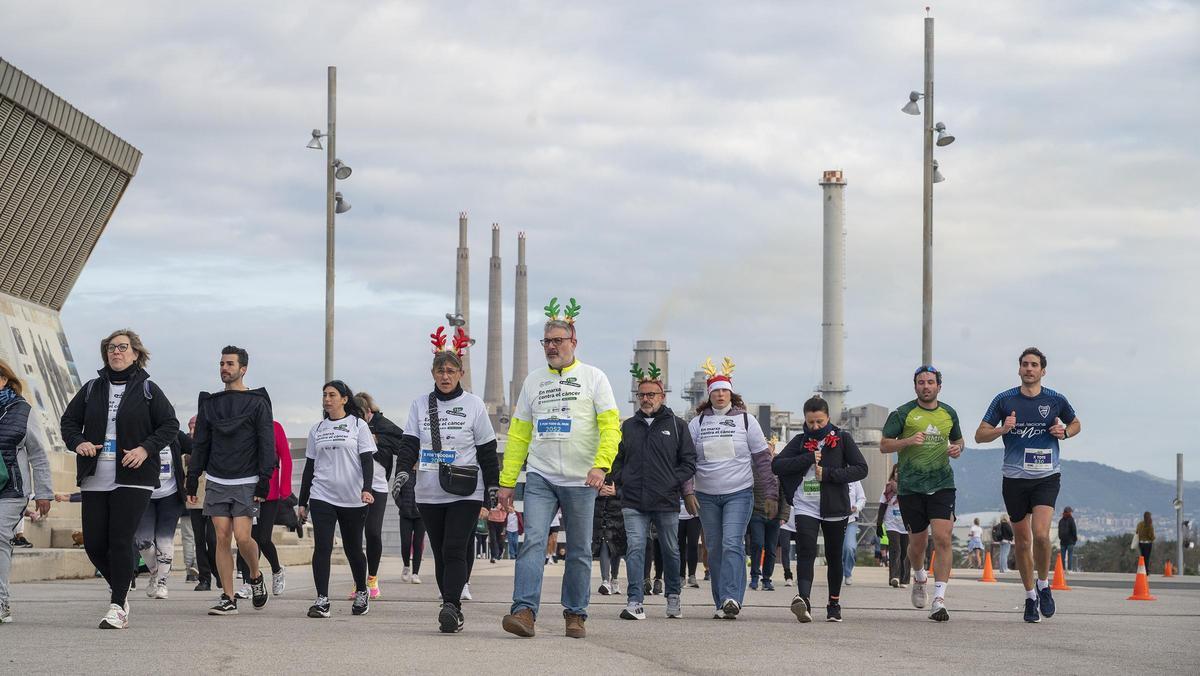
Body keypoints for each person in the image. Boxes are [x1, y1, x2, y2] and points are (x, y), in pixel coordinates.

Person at [498, 298, 620, 640]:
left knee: (579, 550)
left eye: (557, 341)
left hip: (583, 480)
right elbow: (519, 434)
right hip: (541, 476)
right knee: (533, 541)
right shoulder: (533, 381)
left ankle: (575, 614)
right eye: (546, 341)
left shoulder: (594, 378)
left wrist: (601, 465)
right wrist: (507, 483)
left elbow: (611, 428)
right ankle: (523, 611)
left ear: (573, 343)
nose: (551, 347)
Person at [60, 329, 180, 629]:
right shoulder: (91, 389)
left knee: (120, 538)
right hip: (95, 476)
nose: (116, 352)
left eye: (123, 347)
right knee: (94, 544)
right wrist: (78, 442)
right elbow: (69, 422)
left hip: (134, 476)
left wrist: (145, 448)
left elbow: (169, 425)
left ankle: (117, 605)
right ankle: (122, 589)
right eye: (111, 348)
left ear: (136, 353)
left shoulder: (148, 389)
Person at [392, 326, 498, 632]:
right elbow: (409, 443)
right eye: (440, 370)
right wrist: (402, 471)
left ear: (461, 373)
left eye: (451, 370)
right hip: (429, 491)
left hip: (466, 489)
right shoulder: (419, 405)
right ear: (433, 373)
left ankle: (451, 606)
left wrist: (492, 486)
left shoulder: (474, 405)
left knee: (454, 548)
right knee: (440, 552)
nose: (445, 376)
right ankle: (451, 602)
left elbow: (488, 450)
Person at [975, 347, 1081, 623]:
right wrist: (1002, 429)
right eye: (1025, 364)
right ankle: (1030, 597)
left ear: (1043, 371)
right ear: (1019, 369)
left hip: (1046, 476)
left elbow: (1076, 423)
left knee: (1042, 535)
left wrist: (1065, 432)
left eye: (1034, 365)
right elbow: (979, 435)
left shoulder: (1055, 400)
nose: (1029, 369)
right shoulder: (1004, 399)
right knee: (1022, 542)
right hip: (1014, 479)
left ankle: (1044, 586)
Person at [186, 345, 275, 616]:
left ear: (243, 369)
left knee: (243, 537)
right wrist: (192, 478)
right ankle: (228, 597)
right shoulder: (210, 405)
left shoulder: (258, 403)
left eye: (230, 364)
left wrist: (264, 479)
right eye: (222, 364)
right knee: (221, 538)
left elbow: (266, 443)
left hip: (247, 479)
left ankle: (256, 576)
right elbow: (200, 443)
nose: (225, 368)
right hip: (216, 478)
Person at [686, 356, 775, 620]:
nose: (721, 395)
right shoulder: (697, 423)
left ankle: (732, 598)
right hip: (706, 496)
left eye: (725, 390)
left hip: (739, 493)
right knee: (713, 547)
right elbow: (687, 462)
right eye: (716, 391)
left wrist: (771, 493)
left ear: (731, 393)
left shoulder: (746, 421)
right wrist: (687, 491)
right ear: (709, 394)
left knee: (732, 543)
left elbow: (762, 459)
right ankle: (720, 601)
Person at [610, 365, 696, 620]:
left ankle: (673, 596)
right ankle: (635, 601)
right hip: (633, 500)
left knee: (670, 548)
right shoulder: (628, 427)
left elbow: (689, 462)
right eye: (642, 395)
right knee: (635, 547)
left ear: (662, 396)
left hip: (665, 500)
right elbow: (617, 459)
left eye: (651, 394)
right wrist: (621, 479)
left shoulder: (678, 426)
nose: (646, 399)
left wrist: (672, 481)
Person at [881, 365, 964, 622]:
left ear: (939, 386)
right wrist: (906, 441)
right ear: (915, 385)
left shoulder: (949, 413)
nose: (926, 386)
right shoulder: (903, 413)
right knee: (916, 546)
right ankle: (919, 576)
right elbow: (884, 445)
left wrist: (958, 449)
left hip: (941, 484)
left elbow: (959, 440)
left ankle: (939, 599)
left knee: (942, 538)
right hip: (911, 488)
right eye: (921, 382)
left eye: (930, 382)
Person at [774, 396, 868, 623]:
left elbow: (861, 469)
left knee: (834, 556)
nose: (815, 427)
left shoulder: (843, 439)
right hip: (806, 505)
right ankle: (803, 600)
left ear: (828, 418)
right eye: (810, 422)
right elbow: (777, 465)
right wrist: (806, 458)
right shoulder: (798, 441)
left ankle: (833, 603)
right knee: (806, 551)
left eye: (819, 422)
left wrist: (829, 474)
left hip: (835, 506)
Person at [298, 380, 376, 618]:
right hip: (322, 495)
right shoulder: (317, 429)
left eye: (332, 395)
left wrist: (367, 488)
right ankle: (322, 600)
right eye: (324, 395)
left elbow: (366, 460)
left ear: (344, 399)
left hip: (353, 497)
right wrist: (303, 501)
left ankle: (362, 591)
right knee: (322, 546)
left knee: (353, 549)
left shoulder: (358, 425)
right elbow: (310, 467)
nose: (327, 399)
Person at [0, 360, 53, 623]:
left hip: (12, 488)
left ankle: (1, 602)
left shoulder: (21, 410)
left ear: (3, 379)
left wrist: (44, 492)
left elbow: (38, 455)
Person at [236, 420, 292, 598]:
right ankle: (249, 582)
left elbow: (286, 458)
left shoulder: (275, 427)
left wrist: (285, 488)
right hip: (246, 491)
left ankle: (277, 570)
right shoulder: (243, 427)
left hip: (270, 493)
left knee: (263, 538)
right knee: (245, 539)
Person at [354, 392, 401, 599]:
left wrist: (377, 439)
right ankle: (359, 582)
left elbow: (402, 440)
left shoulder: (382, 425)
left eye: (361, 415)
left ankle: (372, 578)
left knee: (372, 532)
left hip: (378, 486)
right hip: (353, 486)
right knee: (353, 536)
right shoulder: (350, 425)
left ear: (369, 412)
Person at [133, 427, 187, 599]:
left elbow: (197, 448)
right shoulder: (139, 432)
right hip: (145, 494)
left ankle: (163, 583)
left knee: (164, 541)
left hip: (170, 496)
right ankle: (155, 573)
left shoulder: (175, 435)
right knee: (143, 541)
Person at [748, 437, 790, 593]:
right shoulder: (752, 469)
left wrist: (784, 515)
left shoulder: (779, 470)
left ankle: (767, 579)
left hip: (774, 516)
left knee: (771, 548)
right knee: (757, 544)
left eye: (769, 450)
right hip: (756, 514)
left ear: (773, 451)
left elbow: (785, 495)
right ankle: (754, 577)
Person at [181, 416, 218, 591]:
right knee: (199, 539)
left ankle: (217, 571)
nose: (193, 429)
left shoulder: (213, 443)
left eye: (196, 425)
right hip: (194, 498)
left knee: (213, 539)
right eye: (191, 426)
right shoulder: (187, 448)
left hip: (212, 497)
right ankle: (204, 578)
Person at [876, 465, 910, 588]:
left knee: (906, 552)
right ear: (893, 473)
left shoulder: (910, 488)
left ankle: (904, 580)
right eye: (896, 472)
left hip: (906, 524)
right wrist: (879, 524)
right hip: (892, 524)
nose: (898, 474)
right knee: (895, 548)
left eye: (901, 472)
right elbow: (882, 506)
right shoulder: (888, 488)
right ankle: (894, 577)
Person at [394, 452, 424, 584]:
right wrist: (401, 505)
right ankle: (406, 566)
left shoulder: (424, 475)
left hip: (420, 515)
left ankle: (416, 573)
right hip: (405, 514)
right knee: (405, 543)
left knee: (418, 544)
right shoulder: (403, 474)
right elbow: (395, 492)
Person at [592, 478, 625, 597]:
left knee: (615, 543)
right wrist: (597, 492)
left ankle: (614, 578)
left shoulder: (621, 465)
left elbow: (630, 488)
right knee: (604, 541)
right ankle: (605, 580)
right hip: (600, 510)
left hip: (618, 511)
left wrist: (616, 491)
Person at [841, 480, 866, 585]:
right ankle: (837, 573)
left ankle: (847, 572)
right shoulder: (833, 473)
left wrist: (857, 506)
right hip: (834, 518)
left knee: (849, 547)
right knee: (836, 550)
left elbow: (862, 498)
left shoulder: (855, 479)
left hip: (851, 520)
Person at [678, 497, 702, 588]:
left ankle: (692, 575)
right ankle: (681, 576)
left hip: (694, 514)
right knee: (680, 546)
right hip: (678, 514)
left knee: (693, 545)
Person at [1059, 506, 1079, 572]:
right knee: (1070, 555)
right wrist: (1075, 539)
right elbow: (1074, 530)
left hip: (1062, 541)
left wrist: (1060, 538)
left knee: (1062, 556)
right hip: (1070, 541)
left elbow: (1059, 531)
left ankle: (1063, 569)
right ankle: (1069, 569)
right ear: (1069, 512)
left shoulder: (1061, 521)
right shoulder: (1071, 520)